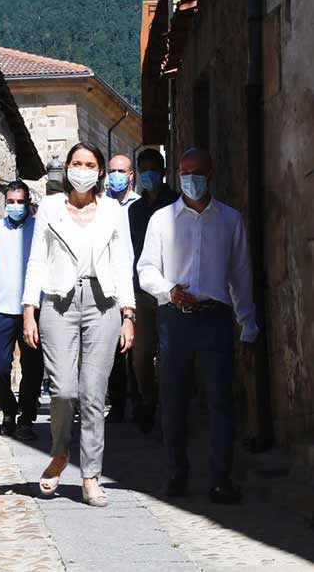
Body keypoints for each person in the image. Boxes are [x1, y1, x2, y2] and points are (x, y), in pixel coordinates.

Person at [137, 148, 257, 505]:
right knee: (173, 401)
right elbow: (145, 270)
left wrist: (248, 324)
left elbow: (241, 275)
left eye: (197, 171)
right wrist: (167, 292)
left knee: (221, 401)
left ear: (211, 172)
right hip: (175, 320)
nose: (190, 178)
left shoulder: (230, 220)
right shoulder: (161, 220)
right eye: (184, 171)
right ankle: (176, 473)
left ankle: (221, 479)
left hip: (215, 319)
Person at [22, 141, 135, 507]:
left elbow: (123, 262)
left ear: (100, 171)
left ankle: (90, 476)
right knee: (64, 389)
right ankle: (58, 451)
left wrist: (128, 314)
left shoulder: (114, 212)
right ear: (67, 168)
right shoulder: (52, 208)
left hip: (103, 303)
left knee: (93, 393)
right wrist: (29, 309)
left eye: (89, 164)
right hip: (58, 301)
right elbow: (36, 257)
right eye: (76, 163)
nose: (82, 169)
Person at [0, 180, 44, 441]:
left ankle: (27, 418)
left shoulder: (40, 230)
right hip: (2, 308)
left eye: (20, 202)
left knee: (32, 368)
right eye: (11, 202)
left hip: (33, 308)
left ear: (28, 202)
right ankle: (8, 411)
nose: (16, 206)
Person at [127, 148, 180, 433]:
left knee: (172, 352)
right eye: (142, 170)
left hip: (172, 289)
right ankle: (148, 400)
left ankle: (171, 406)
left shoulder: (176, 204)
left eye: (152, 170)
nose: (147, 175)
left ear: (162, 172)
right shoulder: (134, 211)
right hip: (142, 291)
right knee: (142, 352)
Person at [104, 154, 140, 423]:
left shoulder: (140, 206)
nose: (116, 175)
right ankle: (117, 404)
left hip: (139, 283)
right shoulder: (100, 206)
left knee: (139, 349)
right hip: (110, 285)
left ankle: (140, 402)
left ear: (131, 175)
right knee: (115, 350)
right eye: (112, 170)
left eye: (121, 171)